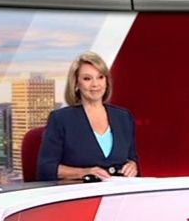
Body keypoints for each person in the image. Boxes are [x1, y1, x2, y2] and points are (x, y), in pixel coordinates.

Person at [37, 52, 139, 181]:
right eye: (87, 79)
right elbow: (46, 169)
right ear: (76, 84)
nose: (95, 84)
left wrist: (132, 166)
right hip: (79, 190)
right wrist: (84, 172)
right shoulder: (61, 119)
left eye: (100, 77)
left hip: (117, 189)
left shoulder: (124, 117)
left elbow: (132, 159)